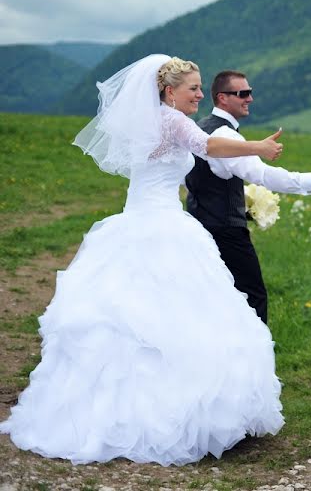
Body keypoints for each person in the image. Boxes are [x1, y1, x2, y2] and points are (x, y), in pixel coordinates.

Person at [0, 54, 285, 466]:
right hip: (162, 224)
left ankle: (118, 408)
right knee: (174, 315)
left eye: (202, 87)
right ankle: (169, 415)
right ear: (169, 91)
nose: (200, 95)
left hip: (138, 220)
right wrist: (256, 146)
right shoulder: (169, 120)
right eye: (193, 88)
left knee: (136, 317)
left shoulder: (148, 122)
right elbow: (207, 145)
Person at [185, 70, 311, 324]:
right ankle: (254, 359)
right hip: (226, 233)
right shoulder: (226, 135)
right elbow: (261, 174)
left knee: (213, 298)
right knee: (253, 297)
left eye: (250, 92)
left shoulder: (200, 128)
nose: (250, 98)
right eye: (242, 93)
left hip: (198, 227)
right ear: (222, 98)